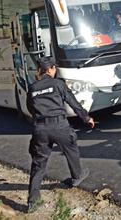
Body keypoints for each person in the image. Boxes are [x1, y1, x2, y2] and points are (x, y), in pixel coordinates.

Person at [26, 57, 95, 213]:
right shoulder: (58, 84)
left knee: (38, 165)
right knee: (71, 148)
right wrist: (86, 118)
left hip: (41, 128)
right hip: (59, 125)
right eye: (54, 68)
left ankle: (32, 202)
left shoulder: (33, 88)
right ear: (50, 69)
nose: (55, 71)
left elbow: (30, 108)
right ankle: (77, 176)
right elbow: (73, 102)